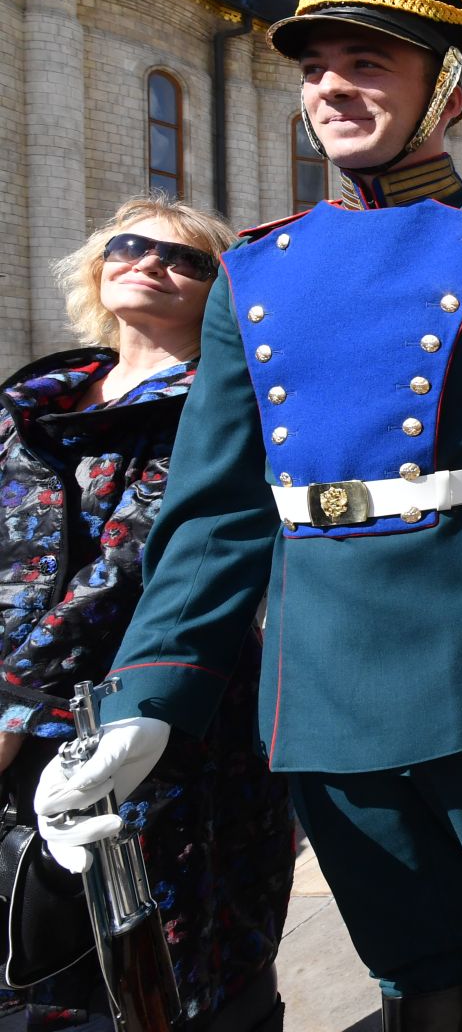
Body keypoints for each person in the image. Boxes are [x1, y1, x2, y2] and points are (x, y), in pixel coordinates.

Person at [33, 0, 462, 1032]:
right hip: (325, 671)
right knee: (406, 955)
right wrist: (145, 697)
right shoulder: (256, 271)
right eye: (318, 67)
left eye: (370, 62)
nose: (334, 89)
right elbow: (212, 511)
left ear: (445, 84)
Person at [1, 195, 292, 1032]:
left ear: (221, 294)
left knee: (176, 955)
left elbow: (136, 565)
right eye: (129, 246)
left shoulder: (218, 406)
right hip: (14, 717)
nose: (151, 264)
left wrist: (17, 703)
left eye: (187, 260)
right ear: (98, 266)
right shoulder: (38, 399)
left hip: (154, 711)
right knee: (34, 947)